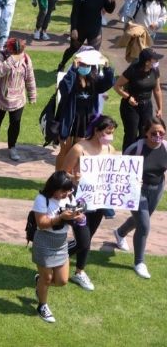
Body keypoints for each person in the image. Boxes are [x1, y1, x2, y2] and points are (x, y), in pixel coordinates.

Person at [59, 115, 118, 292]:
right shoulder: (79, 149)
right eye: (107, 132)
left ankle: (79, 271)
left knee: (88, 238)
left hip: (98, 201)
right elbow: (62, 174)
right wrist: (73, 178)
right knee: (83, 241)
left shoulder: (110, 150)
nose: (110, 136)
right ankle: (55, 257)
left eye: (112, 133)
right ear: (97, 131)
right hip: (79, 200)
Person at [115, 117, 167, 279]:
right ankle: (139, 262)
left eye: (161, 132)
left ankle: (120, 233)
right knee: (144, 225)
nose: (158, 135)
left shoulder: (165, 147)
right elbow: (120, 171)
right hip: (137, 191)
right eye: (154, 132)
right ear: (145, 133)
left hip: (157, 188)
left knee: (142, 219)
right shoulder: (135, 149)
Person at [32, 171, 82, 323]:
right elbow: (41, 223)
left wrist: (78, 217)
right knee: (47, 278)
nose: (66, 194)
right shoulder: (42, 199)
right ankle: (42, 305)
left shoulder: (70, 197)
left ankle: (39, 283)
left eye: (68, 191)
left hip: (61, 243)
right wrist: (60, 217)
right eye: (63, 191)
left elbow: (74, 216)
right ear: (53, 187)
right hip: (44, 242)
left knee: (62, 281)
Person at [54, 51, 115, 167]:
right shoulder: (71, 77)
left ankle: (73, 177)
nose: (85, 67)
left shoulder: (94, 80)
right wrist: (73, 69)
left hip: (85, 119)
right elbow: (64, 88)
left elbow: (108, 83)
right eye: (82, 65)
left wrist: (107, 68)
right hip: (69, 118)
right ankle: (59, 176)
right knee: (65, 149)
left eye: (87, 65)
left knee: (79, 150)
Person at [0, 38, 37, 161]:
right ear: (9, 48)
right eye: (15, 50)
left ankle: (12, 147)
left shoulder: (26, 59)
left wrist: (32, 95)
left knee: (15, 123)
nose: (17, 52)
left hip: (18, 99)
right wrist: (11, 60)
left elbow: (30, 78)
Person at [57, 0, 116, 71]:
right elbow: (74, 14)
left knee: (94, 52)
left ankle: (92, 73)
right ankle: (62, 64)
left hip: (95, 30)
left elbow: (109, 9)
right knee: (73, 49)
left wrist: (112, 1)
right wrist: (74, 28)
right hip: (80, 29)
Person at [114, 48, 163, 150]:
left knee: (145, 133)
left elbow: (157, 90)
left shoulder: (155, 70)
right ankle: (127, 158)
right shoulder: (132, 70)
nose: (157, 62)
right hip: (131, 106)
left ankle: (141, 159)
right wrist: (128, 97)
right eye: (154, 60)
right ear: (147, 62)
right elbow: (117, 86)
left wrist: (160, 108)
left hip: (146, 105)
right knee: (131, 133)